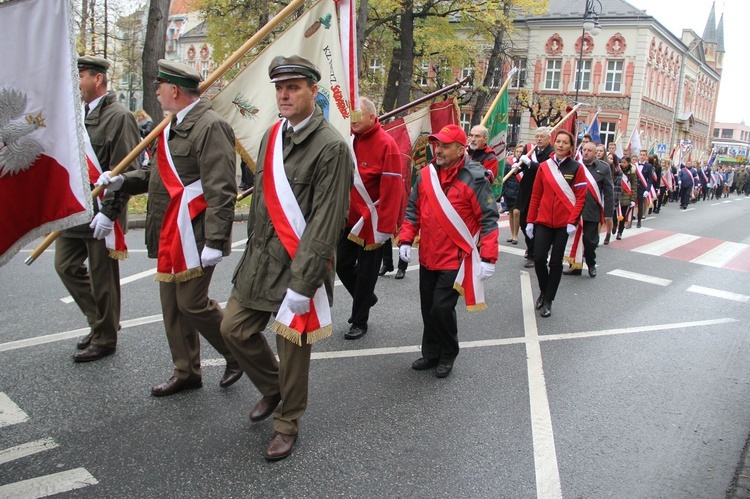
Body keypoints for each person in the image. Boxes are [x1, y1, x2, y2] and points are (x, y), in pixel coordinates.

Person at [219, 55, 353, 461]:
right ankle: (273, 387)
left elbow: (325, 225)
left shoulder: (331, 148)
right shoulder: (273, 135)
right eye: (280, 87)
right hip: (261, 261)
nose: (284, 94)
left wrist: (303, 285)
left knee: (293, 351)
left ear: (314, 91)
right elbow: (263, 201)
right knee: (233, 329)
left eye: (294, 87)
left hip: (299, 267)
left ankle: (287, 423)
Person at [96, 60, 243, 395]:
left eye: (160, 85)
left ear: (174, 90)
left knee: (192, 303)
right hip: (169, 230)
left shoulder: (210, 126)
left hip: (195, 232)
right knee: (172, 305)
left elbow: (221, 188)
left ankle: (238, 354)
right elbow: (155, 177)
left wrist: (216, 239)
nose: (157, 90)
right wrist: (122, 181)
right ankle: (186, 370)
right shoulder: (169, 126)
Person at [55, 56, 140, 363]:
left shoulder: (118, 116)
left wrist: (109, 212)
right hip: (75, 208)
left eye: (80, 77)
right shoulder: (75, 114)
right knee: (65, 265)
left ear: (98, 80)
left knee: (104, 280)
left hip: (102, 211)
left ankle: (105, 338)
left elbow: (127, 171)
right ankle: (101, 321)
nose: (75, 83)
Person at [398, 124, 498, 378]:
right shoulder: (427, 175)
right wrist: (407, 240)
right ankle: (430, 353)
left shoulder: (475, 178)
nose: (438, 150)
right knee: (427, 307)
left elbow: (488, 219)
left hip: (455, 258)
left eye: (444, 145)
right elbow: (413, 210)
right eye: (436, 145)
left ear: (460, 149)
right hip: (429, 254)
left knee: (441, 308)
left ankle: (448, 353)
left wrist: (488, 257)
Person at [336, 96, 401, 340]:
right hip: (350, 219)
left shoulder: (387, 144)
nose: (352, 120)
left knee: (366, 274)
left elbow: (392, 188)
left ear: (372, 117)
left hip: (373, 221)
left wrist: (385, 227)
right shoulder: (348, 140)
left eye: (357, 115)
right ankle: (367, 299)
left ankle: (359, 321)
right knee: (342, 264)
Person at [525, 130, 587, 318]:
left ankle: (549, 300)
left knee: (556, 263)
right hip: (543, 221)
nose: (560, 145)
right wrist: (530, 220)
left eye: (564, 142)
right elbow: (536, 195)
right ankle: (544, 291)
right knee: (539, 259)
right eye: (558, 141)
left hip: (563, 224)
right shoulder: (545, 167)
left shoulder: (577, 168)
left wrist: (572, 221)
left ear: (570, 146)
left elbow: (581, 197)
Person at [564, 141, 613, 276]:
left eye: (589, 150)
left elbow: (608, 191)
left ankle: (591, 263)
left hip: (592, 211)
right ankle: (575, 266)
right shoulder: (575, 165)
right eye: (584, 150)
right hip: (575, 210)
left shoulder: (603, 168)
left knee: (590, 242)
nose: (585, 152)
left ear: (595, 153)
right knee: (574, 238)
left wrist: (608, 214)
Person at [516, 127, 553, 268]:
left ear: (548, 138)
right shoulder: (529, 149)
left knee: (536, 225)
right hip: (526, 191)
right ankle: (530, 247)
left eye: (542, 136)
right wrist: (517, 166)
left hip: (541, 193)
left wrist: (530, 163)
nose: (538, 139)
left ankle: (533, 254)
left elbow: (546, 169)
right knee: (524, 223)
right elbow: (522, 165)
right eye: (537, 136)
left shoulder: (552, 152)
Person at [503, 144, 524, 244]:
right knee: (511, 213)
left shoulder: (525, 163)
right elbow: (505, 177)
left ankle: (516, 235)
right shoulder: (509, 163)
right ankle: (512, 235)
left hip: (520, 192)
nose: (519, 153)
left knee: (517, 212)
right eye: (518, 151)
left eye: (521, 151)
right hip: (510, 191)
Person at [615, 156, 638, 240]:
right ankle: (614, 226)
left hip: (626, 197)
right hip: (617, 196)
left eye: (625, 162)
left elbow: (634, 187)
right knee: (614, 215)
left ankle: (620, 232)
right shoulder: (617, 170)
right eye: (622, 162)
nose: (623, 164)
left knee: (623, 216)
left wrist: (633, 199)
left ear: (628, 163)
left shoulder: (632, 173)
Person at [633, 150, 653, 228]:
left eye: (644, 155)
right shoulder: (634, 165)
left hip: (642, 188)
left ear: (646, 156)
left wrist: (647, 190)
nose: (642, 156)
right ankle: (630, 221)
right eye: (641, 154)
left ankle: (639, 221)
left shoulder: (649, 166)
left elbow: (650, 179)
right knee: (632, 204)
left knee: (640, 205)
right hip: (634, 188)